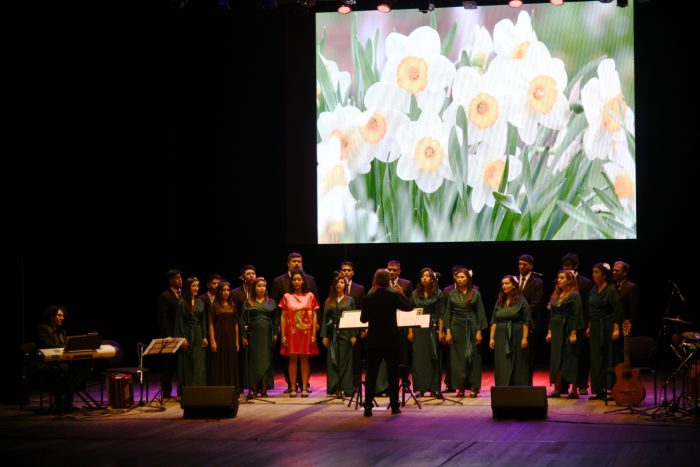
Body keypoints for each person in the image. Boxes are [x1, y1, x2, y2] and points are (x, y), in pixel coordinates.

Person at [360, 269, 414, 417]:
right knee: (393, 374)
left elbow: (363, 320)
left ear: (375, 281)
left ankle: (368, 407)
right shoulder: (393, 296)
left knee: (371, 375)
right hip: (391, 340)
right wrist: (401, 292)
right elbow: (409, 306)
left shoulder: (368, 298)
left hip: (374, 341)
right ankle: (395, 406)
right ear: (388, 281)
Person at [271, 252, 320, 393]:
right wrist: (279, 328)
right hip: (290, 329)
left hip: (306, 329)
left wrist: (316, 327)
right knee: (290, 359)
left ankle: (305, 385)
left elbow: (316, 307)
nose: (297, 263)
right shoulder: (279, 282)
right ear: (288, 263)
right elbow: (278, 310)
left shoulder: (310, 281)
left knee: (305, 359)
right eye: (294, 261)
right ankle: (291, 386)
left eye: (299, 261)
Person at [443, 267, 487, 398]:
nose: (460, 279)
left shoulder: (475, 293)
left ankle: (474, 386)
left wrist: (479, 331)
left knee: (473, 357)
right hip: (456, 327)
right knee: (457, 359)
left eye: (462, 277)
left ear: (468, 278)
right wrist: (448, 332)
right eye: (458, 277)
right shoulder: (451, 294)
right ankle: (460, 386)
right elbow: (448, 314)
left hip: (472, 326)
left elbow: (480, 313)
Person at [587, 262, 623, 401]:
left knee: (609, 356)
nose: (594, 275)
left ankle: (611, 388)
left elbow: (617, 311)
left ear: (604, 275)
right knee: (596, 358)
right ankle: (598, 390)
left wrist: (616, 328)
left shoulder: (611, 289)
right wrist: (589, 327)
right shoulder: (593, 289)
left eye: (596, 272)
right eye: (593, 272)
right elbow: (591, 310)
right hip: (596, 326)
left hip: (607, 326)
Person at [546, 270, 584, 399]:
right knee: (557, 358)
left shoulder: (575, 295)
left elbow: (577, 314)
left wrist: (574, 332)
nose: (559, 280)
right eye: (558, 278)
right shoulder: (557, 295)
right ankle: (557, 389)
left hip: (569, 328)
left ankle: (574, 390)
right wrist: (550, 331)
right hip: (557, 330)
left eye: (562, 278)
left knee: (571, 358)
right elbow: (552, 315)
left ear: (569, 280)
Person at [407, 267, 445, 397]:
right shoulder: (414, 294)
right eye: (423, 276)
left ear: (432, 278)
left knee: (434, 357)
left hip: (433, 327)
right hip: (418, 327)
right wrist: (410, 331)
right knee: (419, 358)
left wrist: (441, 331)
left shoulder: (439, 293)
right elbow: (411, 312)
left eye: (428, 276)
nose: (425, 278)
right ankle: (419, 388)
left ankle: (434, 388)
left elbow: (441, 314)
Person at [490, 275, 532, 386]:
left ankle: (518, 386)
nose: (504, 286)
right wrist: (491, 338)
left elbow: (526, 321)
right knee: (502, 362)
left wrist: (524, 338)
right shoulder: (499, 301)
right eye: (503, 284)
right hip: (500, 336)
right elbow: (494, 320)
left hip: (517, 334)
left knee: (518, 361)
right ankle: (502, 385)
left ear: (514, 285)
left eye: (507, 283)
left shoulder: (521, 301)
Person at [561, 253, 593, 395]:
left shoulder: (585, 282)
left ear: (575, 266)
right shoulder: (560, 280)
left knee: (581, 355)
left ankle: (582, 385)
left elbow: (588, 307)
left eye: (569, 265)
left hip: (580, 324)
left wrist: (587, 325)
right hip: (564, 324)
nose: (566, 268)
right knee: (565, 356)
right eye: (564, 265)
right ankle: (563, 385)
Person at [241, 277, 278, 398]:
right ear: (254, 288)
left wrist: (275, 334)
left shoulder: (271, 302)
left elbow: (275, 320)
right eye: (259, 286)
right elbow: (243, 320)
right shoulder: (248, 302)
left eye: (264, 286)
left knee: (266, 358)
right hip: (253, 335)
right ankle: (253, 388)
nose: (262, 288)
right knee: (253, 360)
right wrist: (243, 336)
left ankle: (264, 387)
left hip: (267, 334)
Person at [320, 276, 357, 396]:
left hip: (346, 333)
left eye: (342, 283)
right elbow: (325, 318)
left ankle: (346, 388)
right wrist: (324, 336)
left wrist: (353, 335)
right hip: (332, 333)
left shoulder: (350, 300)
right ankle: (334, 386)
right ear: (334, 285)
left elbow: (353, 318)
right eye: (337, 283)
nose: (339, 284)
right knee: (332, 359)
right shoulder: (328, 300)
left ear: (345, 285)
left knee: (345, 361)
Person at [36, 305, 75, 413]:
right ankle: (61, 404)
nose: (62, 318)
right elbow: (47, 345)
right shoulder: (42, 329)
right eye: (59, 315)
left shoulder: (62, 331)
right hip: (45, 362)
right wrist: (63, 348)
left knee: (75, 369)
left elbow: (65, 345)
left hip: (59, 361)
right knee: (65, 370)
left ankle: (67, 403)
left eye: (63, 316)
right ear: (51, 316)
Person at [173, 277, 208, 396]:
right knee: (187, 361)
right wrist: (181, 338)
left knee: (199, 362)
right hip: (187, 333)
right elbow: (179, 322)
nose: (196, 288)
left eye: (198, 286)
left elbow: (203, 320)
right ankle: (187, 389)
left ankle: (199, 387)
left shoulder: (200, 302)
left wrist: (204, 336)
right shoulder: (182, 302)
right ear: (188, 287)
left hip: (198, 333)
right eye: (194, 286)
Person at [156, 269, 183, 400]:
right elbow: (163, 317)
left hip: (181, 334)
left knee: (181, 364)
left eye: (180, 277)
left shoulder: (182, 295)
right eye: (177, 278)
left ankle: (181, 390)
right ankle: (166, 392)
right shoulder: (165, 296)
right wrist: (167, 335)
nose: (180, 280)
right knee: (169, 365)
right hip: (170, 335)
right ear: (171, 280)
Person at [518, 254, 545, 383]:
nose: (521, 266)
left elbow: (536, 304)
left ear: (531, 266)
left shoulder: (537, 282)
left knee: (529, 356)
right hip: (515, 323)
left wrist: (520, 314)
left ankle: (527, 382)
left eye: (525, 264)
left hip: (531, 322)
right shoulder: (514, 280)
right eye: (520, 264)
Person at [207, 281, 240, 387]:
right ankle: (220, 389)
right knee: (219, 362)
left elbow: (236, 324)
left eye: (228, 290)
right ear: (219, 292)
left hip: (230, 338)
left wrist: (236, 341)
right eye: (223, 290)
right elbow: (211, 324)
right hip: (219, 338)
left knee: (230, 362)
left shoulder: (233, 306)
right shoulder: (214, 306)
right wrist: (212, 341)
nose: (226, 292)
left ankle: (231, 389)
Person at [233, 265, 256, 392]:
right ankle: (242, 384)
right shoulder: (236, 293)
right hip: (242, 328)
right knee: (242, 358)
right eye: (248, 273)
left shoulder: (259, 289)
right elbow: (235, 313)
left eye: (253, 273)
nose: (251, 276)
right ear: (243, 277)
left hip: (256, 329)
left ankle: (255, 384)